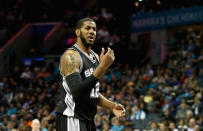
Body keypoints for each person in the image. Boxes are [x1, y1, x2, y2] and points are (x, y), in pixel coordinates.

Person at [56, 17, 125, 131]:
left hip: (88, 119)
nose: (92, 31)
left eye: (94, 29)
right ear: (78, 32)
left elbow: (92, 93)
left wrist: (111, 106)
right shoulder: (71, 56)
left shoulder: (95, 57)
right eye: (87, 28)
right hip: (72, 117)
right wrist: (102, 67)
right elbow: (77, 92)